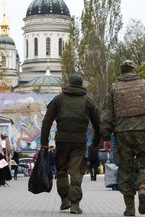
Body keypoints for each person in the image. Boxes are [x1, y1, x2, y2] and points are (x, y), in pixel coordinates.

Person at [101, 60, 145, 216]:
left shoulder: (114, 89)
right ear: (134, 71)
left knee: (125, 168)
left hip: (122, 133)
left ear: (121, 72)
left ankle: (129, 207)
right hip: (144, 131)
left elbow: (106, 114)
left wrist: (106, 136)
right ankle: (143, 187)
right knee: (144, 163)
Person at [41, 74, 100, 214]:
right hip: (79, 141)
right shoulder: (88, 101)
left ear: (69, 83)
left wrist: (44, 142)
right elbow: (97, 123)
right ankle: (74, 204)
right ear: (81, 85)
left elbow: (47, 121)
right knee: (76, 172)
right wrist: (97, 142)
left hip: (61, 141)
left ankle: (64, 200)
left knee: (61, 170)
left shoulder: (59, 99)